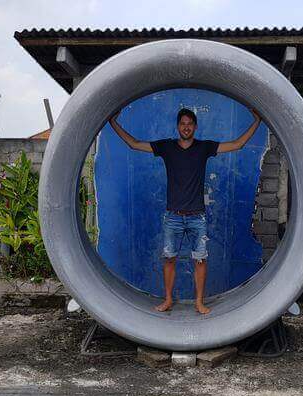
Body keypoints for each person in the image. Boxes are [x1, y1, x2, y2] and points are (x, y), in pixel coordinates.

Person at [109, 107, 261, 314]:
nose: (186, 127)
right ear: (178, 126)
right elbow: (133, 144)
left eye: (190, 124)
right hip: (173, 216)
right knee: (169, 259)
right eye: (183, 124)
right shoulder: (167, 147)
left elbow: (237, 144)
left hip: (197, 217)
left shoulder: (204, 147)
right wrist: (112, 122)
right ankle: (168, 300)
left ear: (195, 127)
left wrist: (257, 121)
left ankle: (199, 302)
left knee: (200, 260)